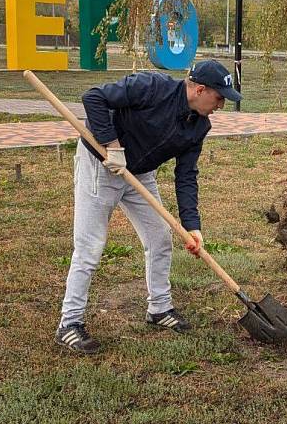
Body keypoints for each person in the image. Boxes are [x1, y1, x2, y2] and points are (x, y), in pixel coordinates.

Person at [55, 60, 241, 354]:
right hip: (101, 164)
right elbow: (94, 97)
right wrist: (111, 145)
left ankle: (159, 308)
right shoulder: (152, 87)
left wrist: (192, 226)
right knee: (90, 246)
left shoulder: (199, 126)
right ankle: (70, 323)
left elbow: (186, 176)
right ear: (200, 90)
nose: (221, 105)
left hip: (139, 173)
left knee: (160, 238)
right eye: (219, 98)